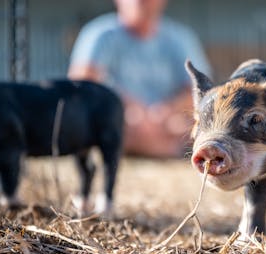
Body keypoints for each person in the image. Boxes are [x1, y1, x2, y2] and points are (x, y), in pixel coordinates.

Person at [68, 0, 211, 157]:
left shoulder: (181, 37)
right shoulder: (99, 33)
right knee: (116, 123)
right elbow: (81, 83)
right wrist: (132, 107)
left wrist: (165, 111)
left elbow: (199, 89)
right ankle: (169, 150)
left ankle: (149, 147)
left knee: (190, 126)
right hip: (124, 118)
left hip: (168, 122)